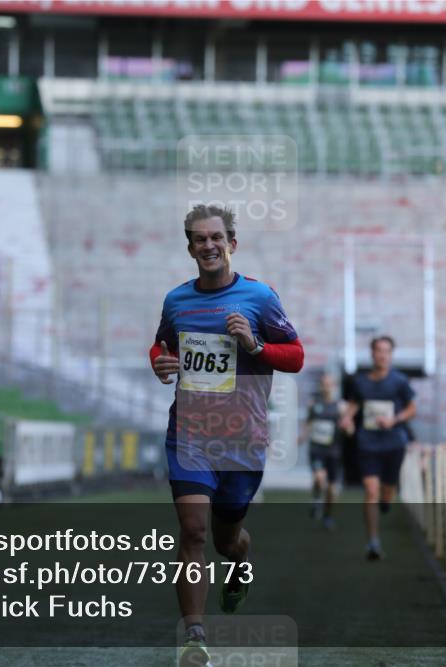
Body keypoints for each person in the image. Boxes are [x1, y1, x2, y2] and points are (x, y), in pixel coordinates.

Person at [150, 205, 303, 666]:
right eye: (200, 240)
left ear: (231, 244)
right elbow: (162, 344)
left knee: (225, 538)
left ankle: (239, 564)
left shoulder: (259, 298)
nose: (209, 246)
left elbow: (295, 356)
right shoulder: (176, 301)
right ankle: (194, 637)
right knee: (192, 532)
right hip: (190, 435)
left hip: (243, 440)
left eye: (217, 238)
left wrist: (254, 345)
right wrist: (158, 361)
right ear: (190, 247)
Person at [341, 335, 416, 561]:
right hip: (368, 443)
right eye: (378, 351)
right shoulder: (360, 382)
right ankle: (373, 542)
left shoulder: (400, 381)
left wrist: (394, 420)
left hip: (394, 443)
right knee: (371, 491)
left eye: (386, 351)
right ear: (372, 354)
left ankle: (386, 500)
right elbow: (354, 405)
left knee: (386, 493)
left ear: (391, 355)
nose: (382, 355)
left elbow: (412, 409)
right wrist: (347, 418)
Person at [302, 372, 344, 530]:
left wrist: (348, 428)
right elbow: (308, 422)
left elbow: (349, 427)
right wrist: (303, 436)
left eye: (329, 384)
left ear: (334, 386)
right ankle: (316, 500)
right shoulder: (314, 403)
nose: (326, 387)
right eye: (324, 384)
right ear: (321, 386)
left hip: (333, 451)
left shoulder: (341, 406)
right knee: (319, 478)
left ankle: (328, 515)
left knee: (332, 488)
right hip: (316, 448)